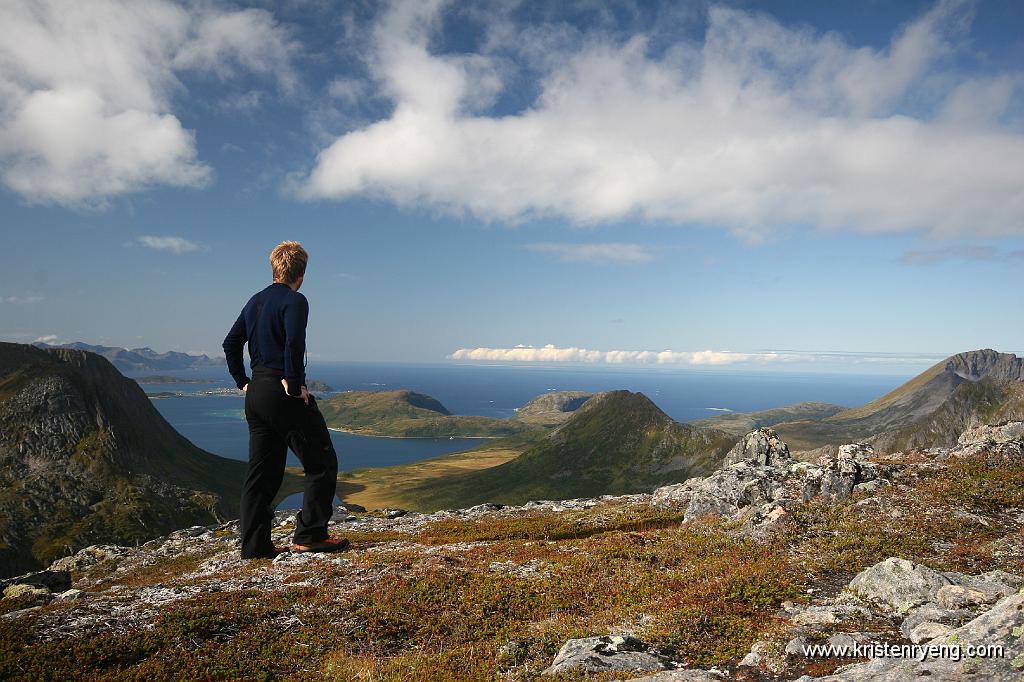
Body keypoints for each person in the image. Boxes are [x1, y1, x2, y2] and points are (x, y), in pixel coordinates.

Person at [222, 241, 348, 559]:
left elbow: (230, 343)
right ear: (301, 273)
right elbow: (294, 343)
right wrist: (294, 386)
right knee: (322, 462)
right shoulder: (296, 301)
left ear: (274, 268)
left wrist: (243, 383)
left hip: (257, 395)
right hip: (282, 393)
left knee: (262, 474)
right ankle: (310, 535)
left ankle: (254, 546)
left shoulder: (255, 301)